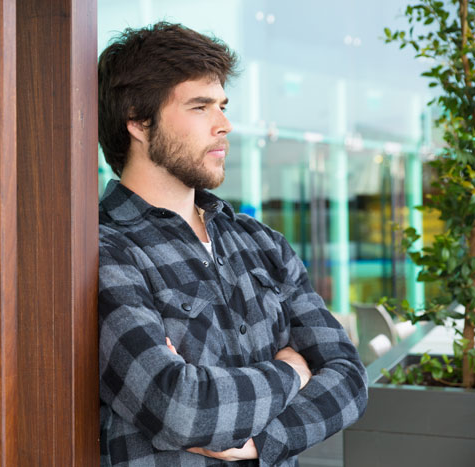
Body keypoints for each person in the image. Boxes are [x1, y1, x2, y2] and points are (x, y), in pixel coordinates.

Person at [97, 22, 368, 467]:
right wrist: (292, 372)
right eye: (200, 107)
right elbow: (181, 409)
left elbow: (349, 378)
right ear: (139, 121)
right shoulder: (105, 250)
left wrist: (264, 441)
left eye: (222, 106)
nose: (224, 125)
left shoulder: (261, 243)